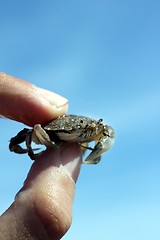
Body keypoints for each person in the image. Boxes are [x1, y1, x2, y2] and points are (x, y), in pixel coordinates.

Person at [0, 72, 82, 240]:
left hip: (68, 132)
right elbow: (27, 135)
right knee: (30, 132)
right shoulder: (41, 129)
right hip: (50, 130)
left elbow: (104, 133)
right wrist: (30, 150)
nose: (71, 131)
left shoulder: (92, 129)